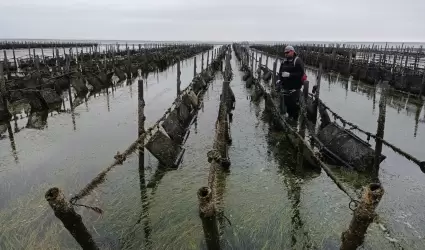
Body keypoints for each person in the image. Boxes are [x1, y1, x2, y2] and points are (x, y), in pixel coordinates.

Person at [276, 45, 305, 120]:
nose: (285, 54)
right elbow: (280, 73)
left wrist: (289, 75)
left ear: (292, 52)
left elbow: (301, 74)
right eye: (285, 53)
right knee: (287, 104)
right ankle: (289, 118)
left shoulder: (297, 61)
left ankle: (295, 122)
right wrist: (279, 80)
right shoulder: (284, 61)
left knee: (294, 106)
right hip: (285, 88)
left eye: (287, 52)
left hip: (294, 89)